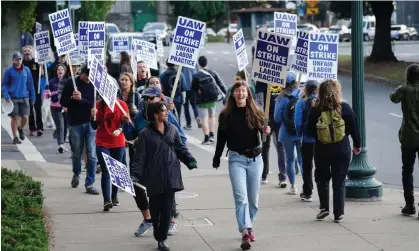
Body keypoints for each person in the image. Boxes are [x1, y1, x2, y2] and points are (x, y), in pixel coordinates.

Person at [131, 101, 197, 251]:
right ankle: (158, 232)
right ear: (155, 114)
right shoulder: (145, 134)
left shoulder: (172, 129)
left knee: (168, 208)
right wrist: (135, 175)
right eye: (163, 111)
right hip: (154, 176)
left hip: (170, 173)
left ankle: (162, 239)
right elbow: (139, 157)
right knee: (155, 208)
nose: (166, 113)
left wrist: (190, 160)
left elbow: (180, 148)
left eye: (166, 110)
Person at [213, 80, 270, 250]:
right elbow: (221, 138)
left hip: (255, 160)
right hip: (236, 159)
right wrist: (216, 157)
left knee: (253, 201)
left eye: (243, 90)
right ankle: (245, 230)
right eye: (237, 90)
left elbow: (264, 132)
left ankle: (247, 223)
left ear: (248, 93)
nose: (240, 93)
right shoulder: (226, 115)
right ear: (232, 94)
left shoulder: (256, 112)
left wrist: (267, 130)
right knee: (241, 198)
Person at [130, 86, 186, 237]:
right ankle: (148, 220)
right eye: (146, 98)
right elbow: (132, 134)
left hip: (166, 163)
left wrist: (178, 154)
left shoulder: (168, 116)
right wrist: (127, 125)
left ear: (159, 98)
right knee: (140, 191)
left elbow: (181, 138)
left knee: (167, 193)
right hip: (145, 163)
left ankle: (170, 222)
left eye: (151, 98)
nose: (148, 100)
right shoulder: (139, 116)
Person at [306, 79, 361, 223]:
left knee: (322, 178)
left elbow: (309, 130)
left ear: (321, 92)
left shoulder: (316, 108)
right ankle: (338, 213)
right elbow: (355, 128)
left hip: (322, 149)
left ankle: (324, 208)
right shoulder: (345, 108)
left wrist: (320, 136)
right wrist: (357, 144)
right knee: (339, 181)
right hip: (341, 149)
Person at [60, 65, 99, 195]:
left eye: (91, 77)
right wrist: (72, 98)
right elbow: (63, 102)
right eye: (87, 77)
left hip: (90, 123)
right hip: (75, 123)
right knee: (77, 152)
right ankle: (76, 173)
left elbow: (95, 104)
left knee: (91, 154)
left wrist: (83, 101)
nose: (89, 80)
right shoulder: (72, 82)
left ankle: (90, 183)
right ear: (82, 74)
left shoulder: (94, 85)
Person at [389, 63, 419, 218]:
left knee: (407, 170)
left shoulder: (403, 90)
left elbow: (393, 98)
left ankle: (410, 204)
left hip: (408, 136)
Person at [91, 97, 130, 211]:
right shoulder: (98, 105)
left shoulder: (122, 104)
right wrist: (93, 116)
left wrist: (121, 128)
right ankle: (106, 200)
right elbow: (94, 126)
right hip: (102, 142)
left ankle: (114, 195)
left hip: (118, 142)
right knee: (106, 169)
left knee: (116, 170)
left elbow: (126, 124)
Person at [274, 72, 303, 195]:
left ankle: (293, 186)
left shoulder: (281, 99)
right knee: (302, 160)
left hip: (286, 133)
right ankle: (306, 186)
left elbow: (277, 118)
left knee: (290, 159)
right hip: (300, 132)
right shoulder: (302, 95)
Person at [191, 56, 227, 145]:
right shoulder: (213, 73)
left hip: (201, 100)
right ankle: (212, 135)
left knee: (204, 119)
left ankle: (206, 138)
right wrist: (226, 94)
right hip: (212, 99)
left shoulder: (196, 75)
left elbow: (193, 88)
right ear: (207, 63)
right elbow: (220, 84)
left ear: (199, 64)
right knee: (212, 117)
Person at [1, 52, 35, 144]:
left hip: (25, 97)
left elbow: (30, 84)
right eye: (17, 59)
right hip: (13, 98)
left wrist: (33, 97)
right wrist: (6, 96)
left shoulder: (27, 70)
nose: (19, 61)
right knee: (14, 118)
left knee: (25, 117)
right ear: (13, 60)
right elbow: (4, 85)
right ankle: (15, 137)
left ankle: (20, 128)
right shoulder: (8, 71)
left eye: (20, 59)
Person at [294, 80, 318, 202]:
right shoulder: (323, 102)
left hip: (308, 139)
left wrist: (300, 134)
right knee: (321, 166)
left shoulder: (302, 103)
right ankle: (323, 192)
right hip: (322, 139)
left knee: (307, 166)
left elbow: (298, 122)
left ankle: (307, 191)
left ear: (306, 89)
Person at [46, 63, 69, 153]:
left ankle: (61, 140)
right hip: (55, 107)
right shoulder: (51, 82)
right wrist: (48, 93)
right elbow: (46, 95)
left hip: (66, 107)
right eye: (58, 70)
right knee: (60, 125)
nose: (60, 71)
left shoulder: (68, 81)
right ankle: (61, 144)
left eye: (62, 70)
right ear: (56, 71)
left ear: (65, 71)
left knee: (65, 126)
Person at [22, 45, 44, 136]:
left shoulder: (36, 62)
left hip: (36, 89)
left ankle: (40, 128)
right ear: (24, 53)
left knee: (38, 109)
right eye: (25, 51)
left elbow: (42, 74)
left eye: (29, 50)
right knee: (29, 109)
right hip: (26, 90)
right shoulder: (22, 63)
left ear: (32, 52)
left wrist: (41, 66)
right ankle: (32, 128)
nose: (27, 52)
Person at [182, 64, 201, 130]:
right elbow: (198, 73)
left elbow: (179, 73)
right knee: (194, 104)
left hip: (185, 87)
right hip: (193, 86)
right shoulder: (194, 62)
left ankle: (188, 124)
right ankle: (197, 117)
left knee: (186, 106)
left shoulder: (182, 62)